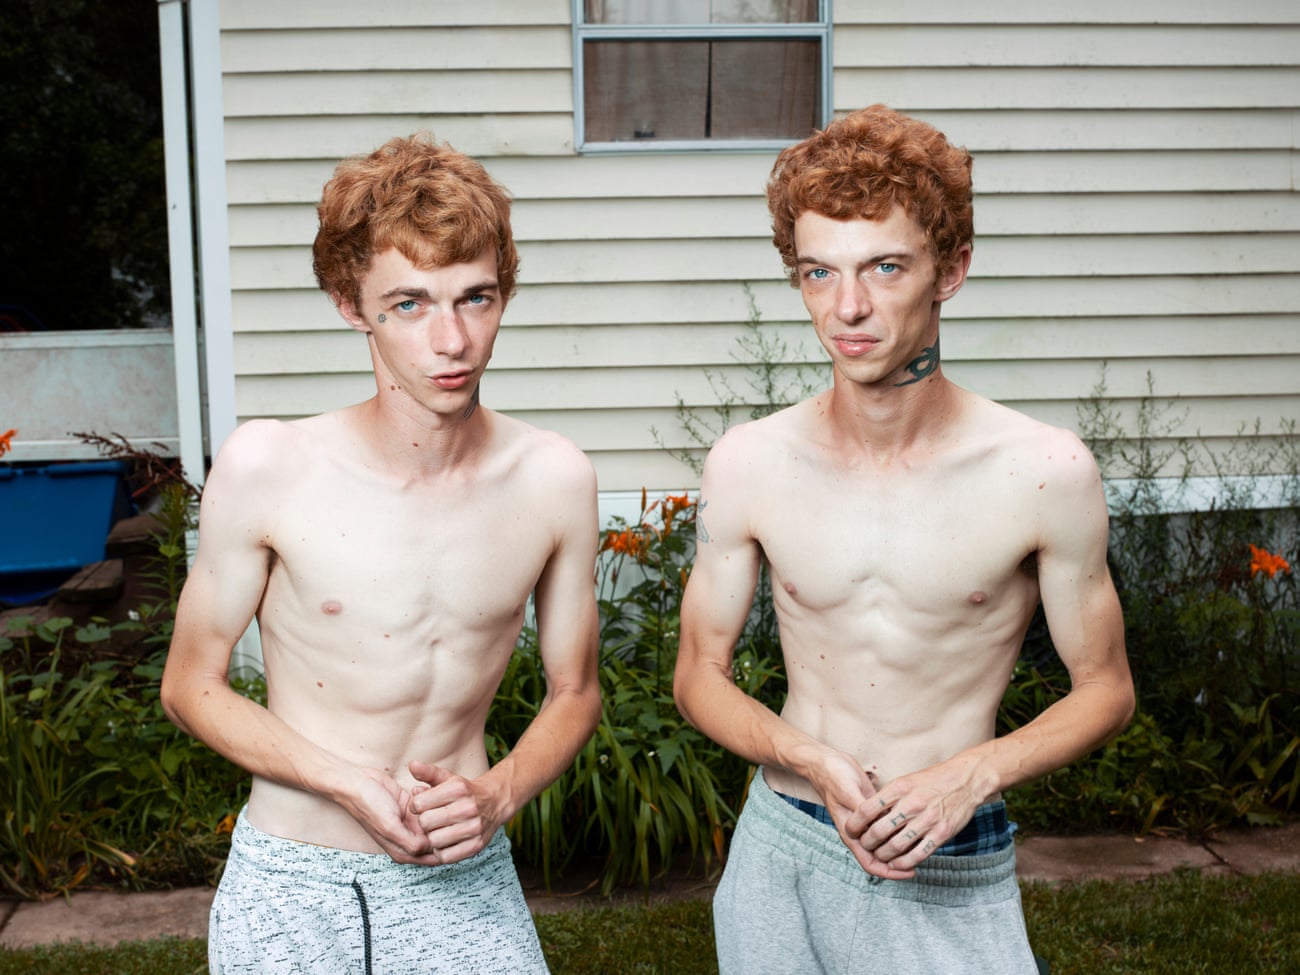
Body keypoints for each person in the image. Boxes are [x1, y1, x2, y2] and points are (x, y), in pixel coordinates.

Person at [673, 104, 1135, 974]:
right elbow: (698, 672)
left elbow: (1105, 688)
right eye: (819, 273)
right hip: (781, 849)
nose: (849, 307)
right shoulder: (750, 462)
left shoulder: (1042, 470)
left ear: (950, 269)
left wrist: (974, 773)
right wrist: (801, 751)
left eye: (885, 267)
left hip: (947, 852)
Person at [161, 134, 602, 974]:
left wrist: (499, 792)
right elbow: (189, 684)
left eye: (475, 298)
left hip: (463, 875)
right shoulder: (269, 466)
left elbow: (576, 690)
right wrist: (347, 780)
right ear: (349, 303)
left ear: (503, 293)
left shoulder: (553, 478)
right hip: (294, 880)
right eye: (409, 304)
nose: (451, 339)